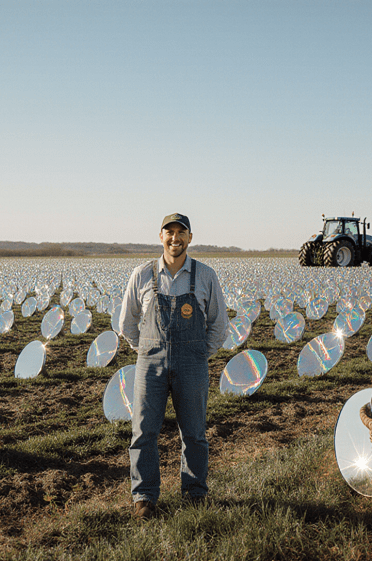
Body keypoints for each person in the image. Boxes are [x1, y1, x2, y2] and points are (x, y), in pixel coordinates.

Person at [118, 212, 228, 519]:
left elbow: (219, 324)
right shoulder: (142, 273)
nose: (175, 238)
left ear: (190, 238)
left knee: (193, 432)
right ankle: (144, 498)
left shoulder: (205, 275)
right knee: (143, 432)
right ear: (161, 236)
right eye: (169, 232)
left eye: (181, 232)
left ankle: (195, 494)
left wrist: (199, 353)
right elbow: (126, 322)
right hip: (149, 362)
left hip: (192, 363)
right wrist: (145, 348)